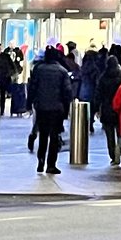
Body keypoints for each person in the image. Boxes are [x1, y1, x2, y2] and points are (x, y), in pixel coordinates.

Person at [28, 44, 74, 175]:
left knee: (43, 135)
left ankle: (40, 161)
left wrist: (29, 103)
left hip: (42, 107)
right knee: (54, 137)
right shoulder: (62, 71)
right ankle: (51, 165)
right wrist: (66, 109)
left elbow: (32, 88)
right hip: (57, 109)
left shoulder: (38, 69)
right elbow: (67, 92)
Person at [95, 47, 121, 165]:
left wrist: (96, 108)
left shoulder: (103, 77)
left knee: (109, 135)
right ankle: (120, 148)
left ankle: (113, 155)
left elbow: (98, 94)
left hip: (107, 109)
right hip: (120, 109)